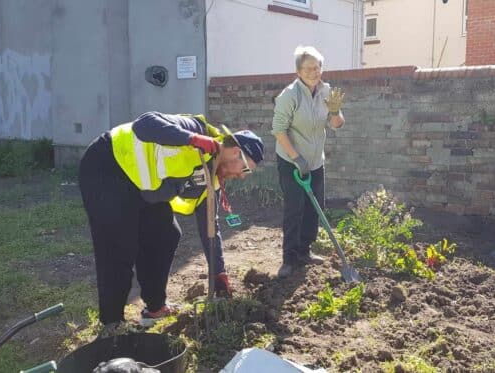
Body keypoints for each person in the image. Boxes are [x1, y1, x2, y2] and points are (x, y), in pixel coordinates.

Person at [78, 111, 264, 329]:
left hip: (143, 188)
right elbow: (144, 124)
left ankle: (155, 307)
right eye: (244, 169)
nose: (242, 176)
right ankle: (112, 324)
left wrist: (218, 272)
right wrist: (192, 139)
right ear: (234, 152)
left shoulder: (212, 179)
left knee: (166, 235)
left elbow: (210, 227)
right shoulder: (195, 129)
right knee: (119, 246)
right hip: (108, 165)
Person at [271, 46, 346, 278]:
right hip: (291, 162)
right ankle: (289, 259)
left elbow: (337, 124)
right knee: (295, 209)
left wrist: (335, 111)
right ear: (298, 71)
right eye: (308, 68)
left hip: (315, 162)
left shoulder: (326, 92)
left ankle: (305, 251)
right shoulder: (289, 96)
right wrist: (296, 158)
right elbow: (278, 131)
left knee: (314, 209)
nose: (314, 72)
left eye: (317, 67)